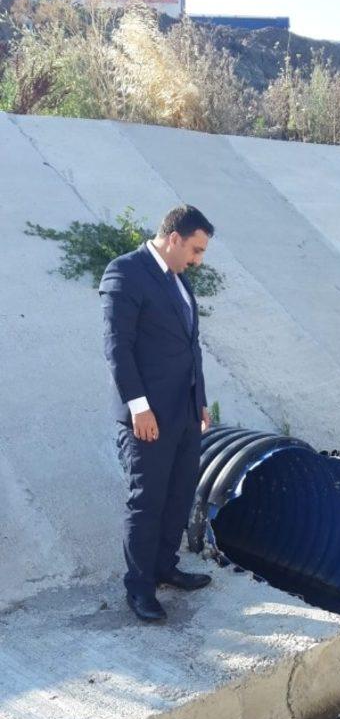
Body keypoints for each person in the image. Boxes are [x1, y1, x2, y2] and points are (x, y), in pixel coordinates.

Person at [100, 205, 215, 621]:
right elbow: (118, 347)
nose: (198, 259)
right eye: (196, 250)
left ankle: (165, 566)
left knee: (179, 493)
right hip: (147, 416)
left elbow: (189, 346)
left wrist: (198, 399)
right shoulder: (125, 272)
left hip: (183, 412)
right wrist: (138, 408)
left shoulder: (179, 281)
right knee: (146, 501)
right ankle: (140, 588)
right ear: (174, 238)